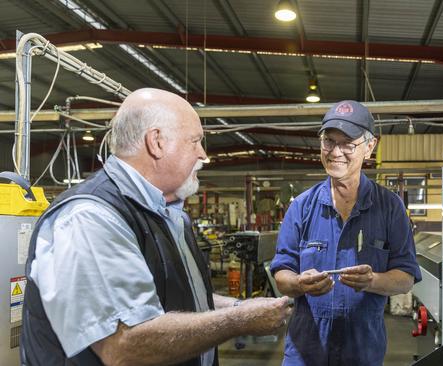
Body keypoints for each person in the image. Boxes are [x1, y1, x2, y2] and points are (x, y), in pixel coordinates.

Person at [20, 88, 292, 366]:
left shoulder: (169, 214)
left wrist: (237, 306)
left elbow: (175, 295)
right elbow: (125, 346)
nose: (204, 155)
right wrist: (239, 320)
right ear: (157, 142)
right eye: (195, 141)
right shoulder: (89, 217)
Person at [271, 100, 422, 366]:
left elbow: (406, 278)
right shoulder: (302, 207)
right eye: (328, 141)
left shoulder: (390, 208)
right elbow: (282, 274)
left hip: (362, 351)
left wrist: (372, 281)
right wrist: (298, 284)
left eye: (348, 144)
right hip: (306, 352)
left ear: (369, 147)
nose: (335, 152)